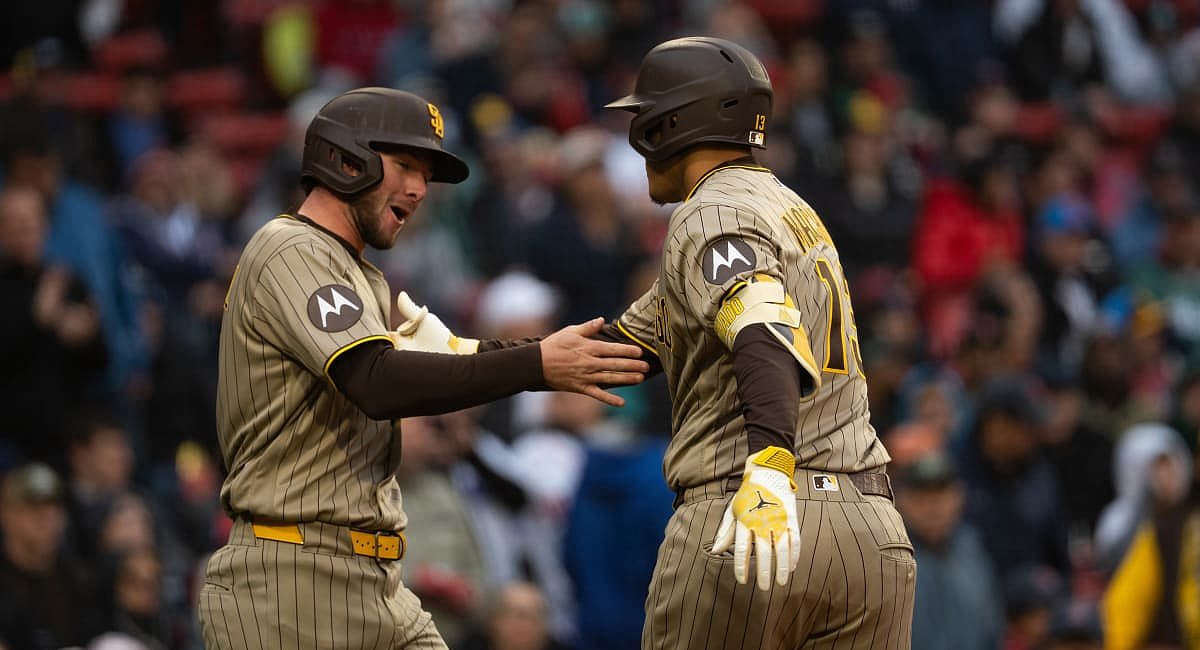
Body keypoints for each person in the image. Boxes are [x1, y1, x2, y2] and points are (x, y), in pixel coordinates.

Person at [195, 87, 649, 650]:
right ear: (345, 158)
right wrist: (536, 363)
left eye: (426, 175)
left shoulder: (361, 275)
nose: (418, 189)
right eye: (405, 165)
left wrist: (567, 354)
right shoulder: (289, 247)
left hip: (374, 583)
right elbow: (377, 381)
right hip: (289, 582)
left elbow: (456, 358)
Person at [600, 37, 915, 649]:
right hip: (866, 530)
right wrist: (471, 354)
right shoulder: (791, 208)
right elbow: (615, 350)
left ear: (670, 125)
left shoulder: (707, 213)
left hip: (751, 517)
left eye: (644, 115)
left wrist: (770, 464)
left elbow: (761, 329)